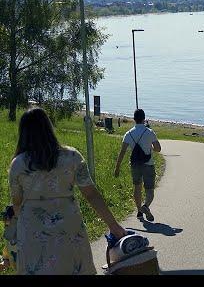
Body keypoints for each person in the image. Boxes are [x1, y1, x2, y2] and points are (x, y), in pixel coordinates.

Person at [7, 107, 127, 275]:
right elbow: (91, 195)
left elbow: (17, 204)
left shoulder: (18, 164)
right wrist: (113, 226)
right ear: (49, 128)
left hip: (33, 233)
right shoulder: (72, 157)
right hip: (69, 229)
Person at [114, 108, 162, 222]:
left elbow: (122, 152)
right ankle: (146, 206)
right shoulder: (149, 132)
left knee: (137, 187)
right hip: (148, 165)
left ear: (134, 119)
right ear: (144, 119)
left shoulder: (128, 134)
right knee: (149, 190)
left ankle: (139, 211)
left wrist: (117, 167)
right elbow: (158, 149)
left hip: (135, 165)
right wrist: (150, 148)